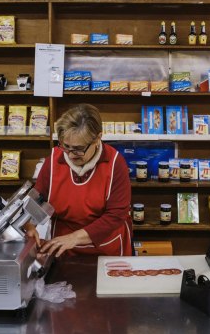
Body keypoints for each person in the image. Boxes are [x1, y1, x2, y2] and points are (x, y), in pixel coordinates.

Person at [26, 103, 133, 257]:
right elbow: (37, 200)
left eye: (78, 149)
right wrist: (29, 224)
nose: (70, 155)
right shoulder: (54, 161)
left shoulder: (115, 163)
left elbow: (116, 215)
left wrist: (74, 237)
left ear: (97, 139)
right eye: (65, 146)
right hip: (63, 249)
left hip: (106, 248)